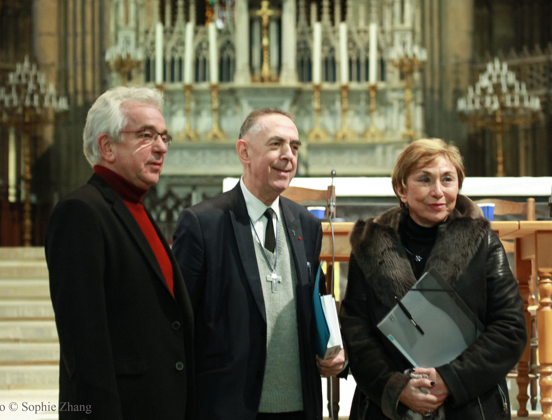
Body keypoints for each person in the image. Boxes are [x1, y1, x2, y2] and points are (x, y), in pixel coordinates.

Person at [172, 108, 345, 420]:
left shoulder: (306, 224)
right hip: (229, 405)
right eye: (276, 144)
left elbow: (314, 305)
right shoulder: (203, 223)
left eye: (294, 146)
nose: (288, 156)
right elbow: (180, 321)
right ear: (244, 152)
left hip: (298, 404)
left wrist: (331, 350)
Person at [339, 138, 526, 419]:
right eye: (425, 179)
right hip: (388, 406)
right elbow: (356, 332)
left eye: (447, 179)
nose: (438, 192)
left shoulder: (482, 243)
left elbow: (510, 328)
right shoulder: (370, 245)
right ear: (402, 189)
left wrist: (450, 379)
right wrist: (398, 388)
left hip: (467, 402)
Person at [46, 86, 194, 419]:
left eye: (163, 137)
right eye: (146, 135)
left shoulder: (135, 209)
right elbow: (84, 346)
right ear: (107, 146)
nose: (160, 148)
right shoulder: (80, 212)